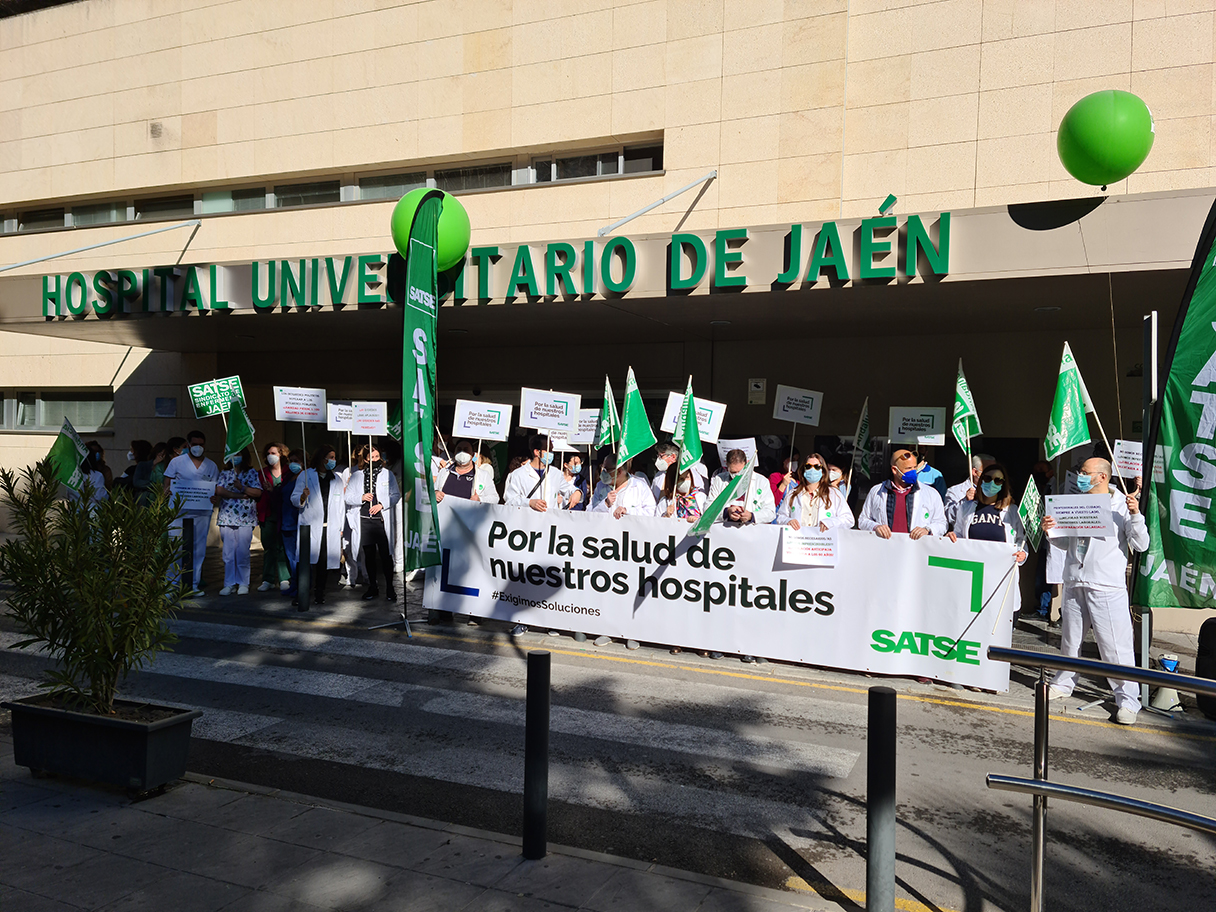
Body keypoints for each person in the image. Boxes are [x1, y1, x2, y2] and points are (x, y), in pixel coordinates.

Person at [1041, 457, 1148, 725]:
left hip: (1106, 585)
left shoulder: (1121, 504)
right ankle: (1064, 683)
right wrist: (1050, 531)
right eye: (1080, 472)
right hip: (1075, 581)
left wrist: (1135, 515)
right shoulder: (1076, 502)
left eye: (1084, 472)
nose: (1080, 476)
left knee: (1115, 647)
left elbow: (1141, 544)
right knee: (1071, 641)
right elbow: (1067, 542)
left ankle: (1128, 700)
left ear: (1102, 477)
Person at [163, 429, 218, 594]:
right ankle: (171, 586)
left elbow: (214, 489)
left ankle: (192, 585)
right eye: (195, 444)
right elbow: (166, 484)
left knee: (198, 548)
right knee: (175, 547)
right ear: (188, 444)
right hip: (178, 511)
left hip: (202, 512)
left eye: (201, 445)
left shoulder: (211, 465)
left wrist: (215, 498)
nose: (198, 448)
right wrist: (166, 491)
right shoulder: (176, 462)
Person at [345, 443, 402, 602]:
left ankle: (390, 588)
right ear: (365, 459)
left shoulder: (387, 474)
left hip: (381, 520)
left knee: (385, 556)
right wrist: (361, 498)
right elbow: (348, 497)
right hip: (364, 520)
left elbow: (395, 495)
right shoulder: (357, 475)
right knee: (368, 556)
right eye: (372, 458)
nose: (376, 460)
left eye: (377, 457)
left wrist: (382, 504)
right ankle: (372, 586)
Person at [291, 444, 346, 608]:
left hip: (330, 527)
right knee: (305, 562)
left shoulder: (336, 479)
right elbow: (294, 499)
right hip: (310, 526)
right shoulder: (306, 476)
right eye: (331, 457)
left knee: (323, 562)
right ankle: (301, 593)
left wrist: (341, 527)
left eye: (334, 457)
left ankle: (320, 592)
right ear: (322, 458)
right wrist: (302, 496)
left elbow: (341, 506)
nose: (333, 461)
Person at [858, 447, 947, 539]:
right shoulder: (876, 492)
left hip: (916, 549)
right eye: (908, 468)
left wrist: (928, 529)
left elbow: (942, 523)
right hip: (885, 548)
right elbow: (862, 520)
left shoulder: (931, 494)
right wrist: (875, 527)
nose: (913, 471)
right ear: (894, 470)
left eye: (915, 467)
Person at [947, 461, 1026, 563]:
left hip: (1000, 568)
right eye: (987, 479)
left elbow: (1020, 540)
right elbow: (958, 535)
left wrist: (1022, 553)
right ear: (981, 480)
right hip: (973, 568)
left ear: (1003, 484)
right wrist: (950, 538)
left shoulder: (1012, 510)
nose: (992, 484)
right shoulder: (966, 508)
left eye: (997, 480)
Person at [213, 446, 263, 596]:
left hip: (245, 518)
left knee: (242, 552)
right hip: (227, 517)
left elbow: (257, 492)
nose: (236, 457)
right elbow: (219, 490)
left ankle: (243, 583)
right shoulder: (225, 473)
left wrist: (242, 487)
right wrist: (240, 495)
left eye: (239, 454)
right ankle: (229, 583)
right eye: (234, 454)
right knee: (228, 553)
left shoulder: (252, 473)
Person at [776, 453, 854, 531]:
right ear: (803, 469)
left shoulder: (834, 494)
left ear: (823, 471)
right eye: (808, 466)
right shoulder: (793, 493)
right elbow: (780, 516)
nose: (812, 470)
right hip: (799, 540)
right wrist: (788, 521)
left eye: (817, 467)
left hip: (823, 541)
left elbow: (849, 520)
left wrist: (831, 523)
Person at [706, 449, 776, 526]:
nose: (737, 475)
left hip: (752, 531)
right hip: (725, 530)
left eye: (740, 471)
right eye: (733, 472)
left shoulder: (761, 481)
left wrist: (751, 516)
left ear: (747, 464)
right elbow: (708, 509)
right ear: (727, 466)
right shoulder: (719, 479)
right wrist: (726, 512)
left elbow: (771, 512)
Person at [504, 435, 574, 511]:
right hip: (528, 519)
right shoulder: (518, 474)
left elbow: (569, 489)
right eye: (548, 450)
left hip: (550, 520)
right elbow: (510, 501)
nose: (551, 453)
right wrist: (529, 502)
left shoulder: (556, 473)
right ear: (537, 452)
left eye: (551, 450)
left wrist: (577, 493)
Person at [257, 441, 291, 592]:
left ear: (281, 455)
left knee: (282, 547)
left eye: (274, 453)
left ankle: (284, 578)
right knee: (269, 547)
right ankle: (268, 579)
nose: (271, 456)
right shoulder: (261, 473)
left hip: (284, 515)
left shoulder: (288, 473)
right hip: (268, 515)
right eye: (268, 453)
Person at [434, 440, 500, 503]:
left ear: (473, 454)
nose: (462, 453)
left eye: (466, 450)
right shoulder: (444, 472)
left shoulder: (483, 475)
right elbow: (433, 491)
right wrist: (435, 493)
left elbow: (495, 498)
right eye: (459, 449)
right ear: (454, 452)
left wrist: (480, 500)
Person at [591, 453, 656, 517]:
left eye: (607, 469)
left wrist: (627, 511)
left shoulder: (640, 486)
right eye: (603, 469)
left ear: (619, 471)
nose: (604, 473)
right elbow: (591, 512)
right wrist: (605, 504)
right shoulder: (600, 486)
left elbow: (651, 512)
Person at [279, 448, 305, 600]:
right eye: (291, 461)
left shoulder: (305, 477)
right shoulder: (289, 477)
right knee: (290, 557)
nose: (293, 464)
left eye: (296, 461)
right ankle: (294, 584)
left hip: (298, 521)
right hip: (286, 521)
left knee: (298, 557)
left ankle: (301, 585)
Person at [944, 454, 995, 527]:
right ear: (975, 472)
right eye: (988, 471)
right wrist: (964, 502)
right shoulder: (955, 491)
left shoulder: (998, 490)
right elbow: (949, 517)